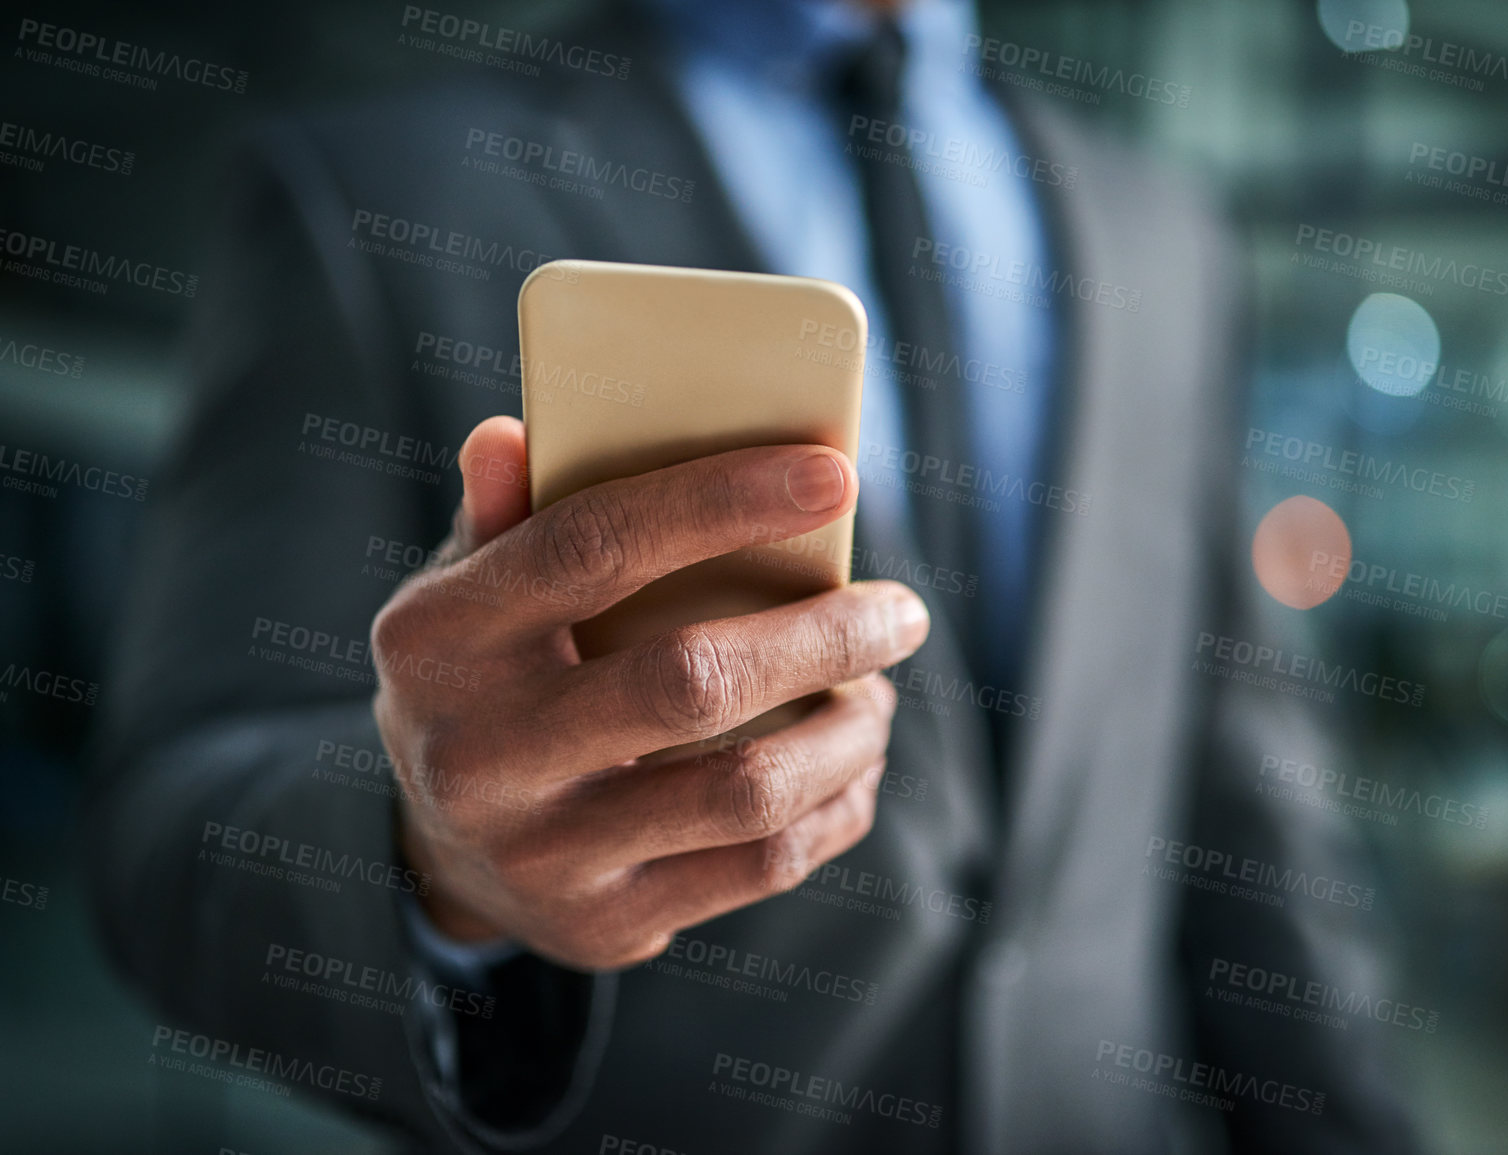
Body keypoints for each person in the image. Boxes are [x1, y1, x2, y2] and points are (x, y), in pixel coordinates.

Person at [86, 0, 1419, 1150]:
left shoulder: (1159, 236)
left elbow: (1245, 804)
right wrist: (436, 862)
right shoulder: (366, 194)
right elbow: (167, 831)